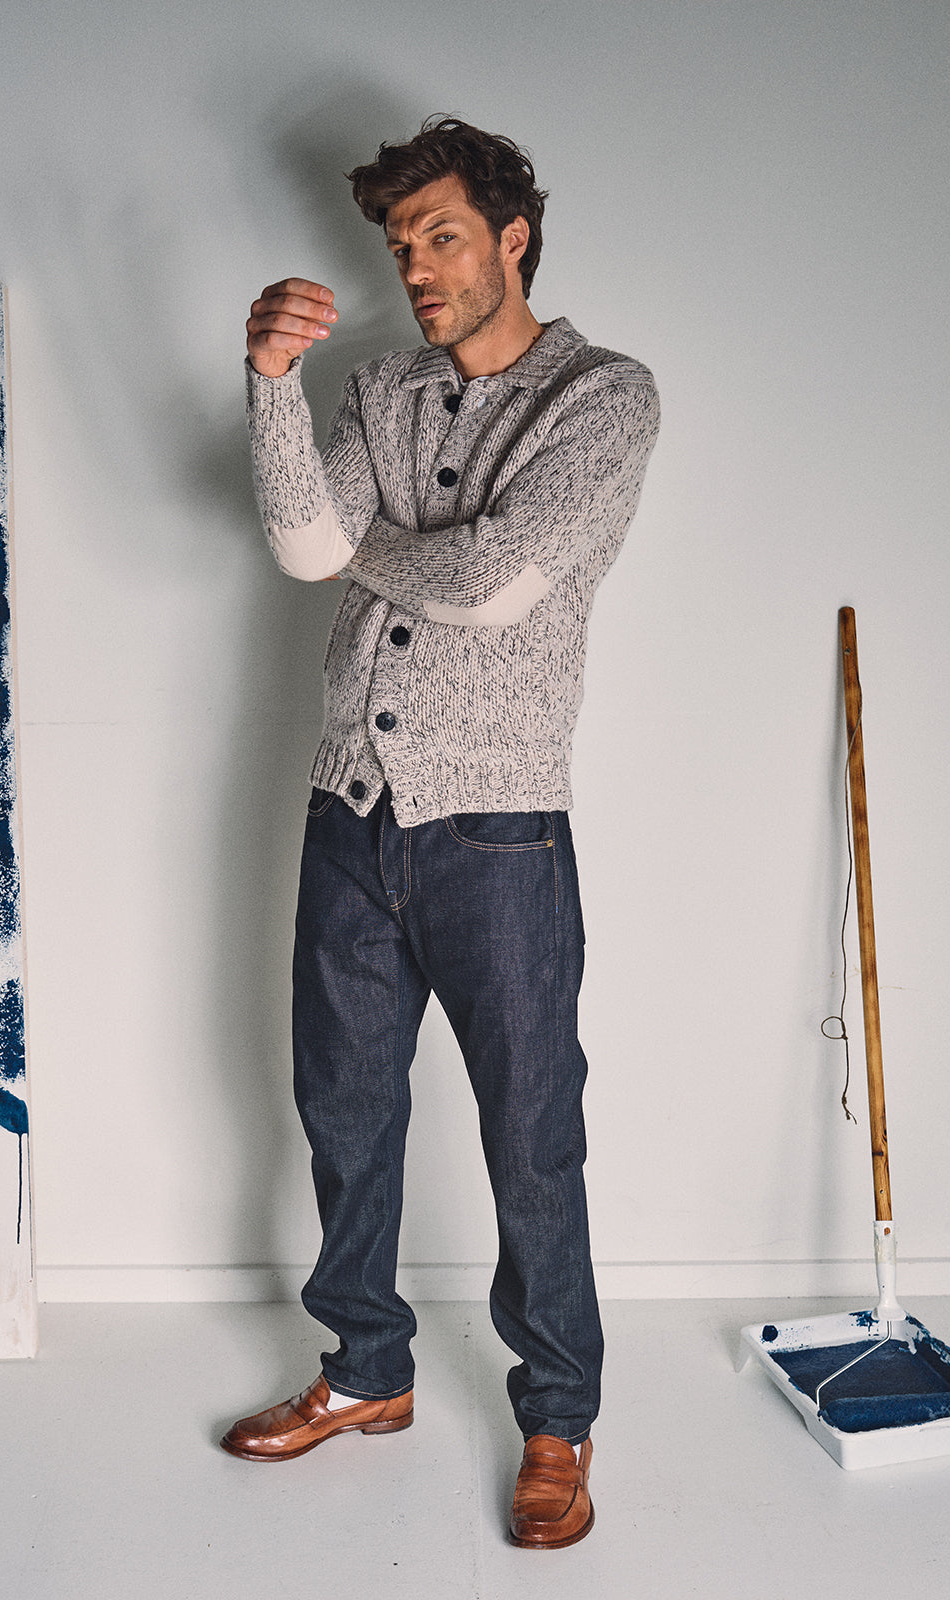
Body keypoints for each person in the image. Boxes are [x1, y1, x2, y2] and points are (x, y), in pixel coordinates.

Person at [221, 116, 659, 1550]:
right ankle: (366, 1372)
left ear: (512, 235)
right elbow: (301, 548)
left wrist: (375, 551)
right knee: (343, 1110)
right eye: (399, 242)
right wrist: (275, 385)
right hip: (350, 806)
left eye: (442, 235)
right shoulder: (380, 389)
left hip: (500, 828)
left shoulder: (603, 396)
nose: (415, 264)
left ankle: (560, 1417)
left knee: (533, 1134)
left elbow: (501, 583)